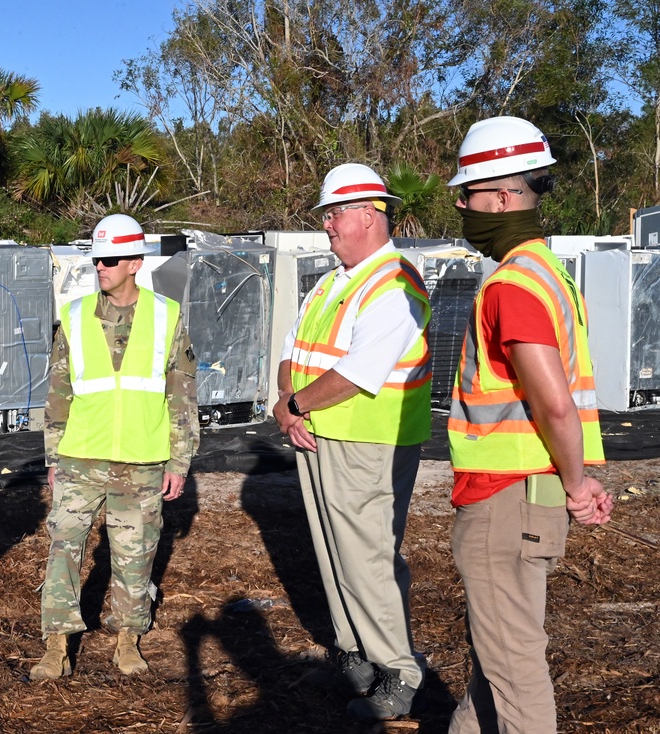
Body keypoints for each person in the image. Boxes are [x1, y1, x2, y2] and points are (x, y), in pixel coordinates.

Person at [446, 116, 612, 733]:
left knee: (515, 674)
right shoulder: (554, 275)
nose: (463, 209)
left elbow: (555, 405)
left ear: (501, 197)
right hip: (521, 499)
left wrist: (576, 485)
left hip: (503, 503)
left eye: (467, 196)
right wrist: (578, 480)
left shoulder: (512, 284)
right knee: (493, 668)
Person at [272, 163, 432, 722]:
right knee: (333, 551)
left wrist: (292, 406)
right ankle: (355, 654)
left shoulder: (394, 283)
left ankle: (400, 672)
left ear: (369, 214)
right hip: (318, 433)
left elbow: (357, 374)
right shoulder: (332, 280)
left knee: (367, 556)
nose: (328, 226)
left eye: (334, 213)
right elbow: (292, 349)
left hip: (370, 442)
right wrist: (289, 402)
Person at [30, 213, 198, 680]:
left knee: (135, 553)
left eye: (108, 259)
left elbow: (182, 394)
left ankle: (128, 639)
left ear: (134, 263)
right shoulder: (75, 315)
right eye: (96, 258)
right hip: (80, 457)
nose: (99, 266)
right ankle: (57, 644)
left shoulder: (167, 316)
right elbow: (58, 392)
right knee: (64, 548)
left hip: (142, 461)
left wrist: (179, 460)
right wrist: (53, 456)